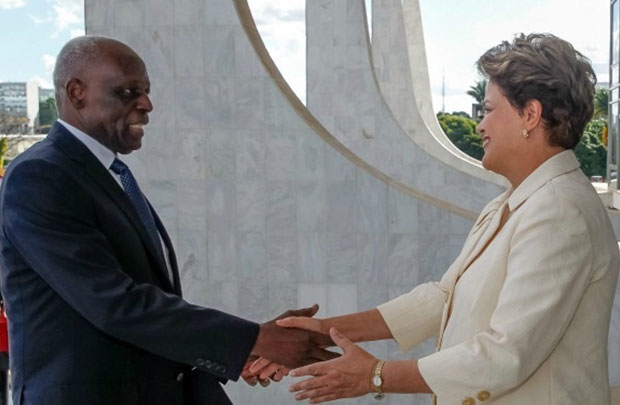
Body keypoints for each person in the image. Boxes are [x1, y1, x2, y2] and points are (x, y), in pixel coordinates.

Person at [262, 33, 620, 404]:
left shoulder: (559, 211)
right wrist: (324, 331)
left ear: (530, 115)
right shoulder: (513, 202)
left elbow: (506, 353)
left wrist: (376, 375)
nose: (480, 125)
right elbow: (442, 298)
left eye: (490, 110)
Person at [0, 35, 335, 405]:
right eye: (129, 91)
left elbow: (151, 303)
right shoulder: (40, 176)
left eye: (145, 91)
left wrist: (240, 350)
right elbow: (115, 304)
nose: (147, 105)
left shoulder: (109, 174)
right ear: (77, 92)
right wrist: (255, 339)